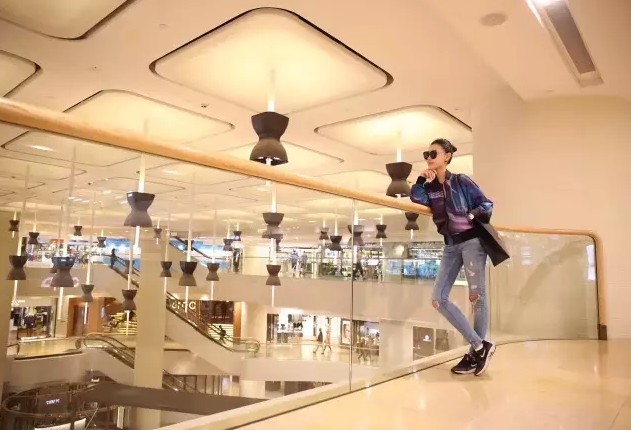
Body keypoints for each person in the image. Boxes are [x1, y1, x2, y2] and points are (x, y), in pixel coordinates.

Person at [410, 138, 496, 376]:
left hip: (472, 243)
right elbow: (416, 198)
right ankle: (480, 347)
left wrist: (470, 215)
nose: (429, 157)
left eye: (433, 153)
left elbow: (486, 205)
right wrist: (420, 180)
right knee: (438, 299)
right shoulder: (431, 188)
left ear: (447, 156)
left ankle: (473, 356)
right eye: (426, 154)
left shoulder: (461, 181)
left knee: (477, 298)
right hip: (450, 246)